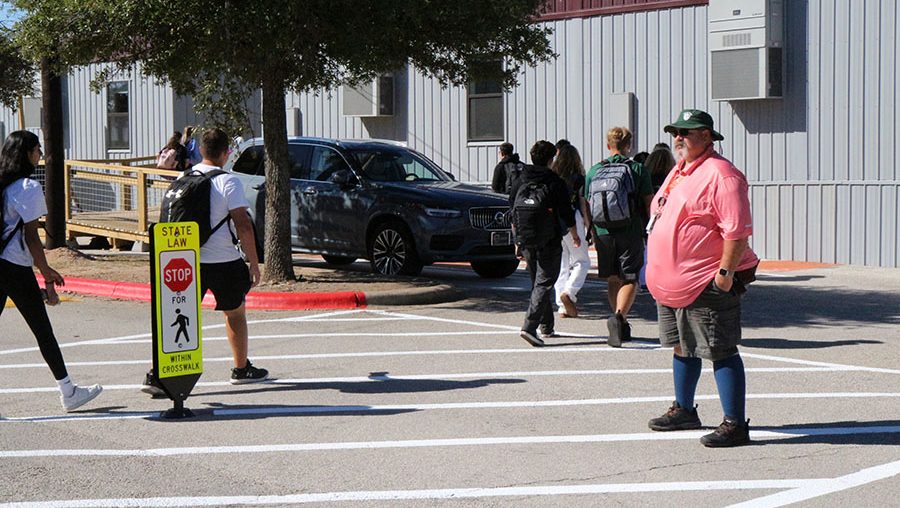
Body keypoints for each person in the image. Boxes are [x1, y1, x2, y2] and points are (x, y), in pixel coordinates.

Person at [645, 109, 759, 448]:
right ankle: (684, 409)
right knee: (682, 344)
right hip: (673, 282)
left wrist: (724, 275)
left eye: (687, 132)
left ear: (707, 136)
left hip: (706, 280)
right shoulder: (679, 171)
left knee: (720, 349)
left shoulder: (722, 175)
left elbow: (736, 232)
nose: (679, 137)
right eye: (676, 132)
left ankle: (735, 424)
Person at [143, 128, 267, 395]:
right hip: (224, 260)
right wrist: (254, 263)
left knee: (176, 315)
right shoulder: (228, 181)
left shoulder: (185, 176)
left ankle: (158, 373)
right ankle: (241, 368)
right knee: (235, 312)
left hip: (186, 260)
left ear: (200, 150)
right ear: (227, 153)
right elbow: (243, 225)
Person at [0, 130, 104, 412]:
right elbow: (33, 238)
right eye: (37, 150)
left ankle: (69, 390)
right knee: (43, 331)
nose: (40, 155)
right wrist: (46, 273)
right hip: (13, 265)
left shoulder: (4, 185)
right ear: (27, 154)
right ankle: (68, 391)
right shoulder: (27, 187)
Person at [585, 127, 653, 347]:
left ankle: (619, 321)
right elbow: (648, 203)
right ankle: (620, 317)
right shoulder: (638, 169)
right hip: (630, 230)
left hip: (603, 231)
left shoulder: (594, 171)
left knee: (613, 277)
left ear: (608, 145)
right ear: (629, 145)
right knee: (630, 277)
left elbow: (586, 202)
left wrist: (592, 230)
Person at [509, 140, 580, 347]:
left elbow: (512, 209)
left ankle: (546, 326)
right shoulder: (554, 181)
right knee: (545, 281)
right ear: (551, 159)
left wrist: (517, 240)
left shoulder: (520, 179)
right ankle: (530, 327)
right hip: (549, 238)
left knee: (538, 282)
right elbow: (566, 212)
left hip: (526, 237)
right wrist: (574, 234)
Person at [550, 144, 591, 318]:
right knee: (582, 261)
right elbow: (582, 202)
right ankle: (570, 292)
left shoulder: (554, 177)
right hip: (573, 218)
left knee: (562, 263)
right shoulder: (579, 178)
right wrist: (588, 225)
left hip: (556, 220)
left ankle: (561, 305)